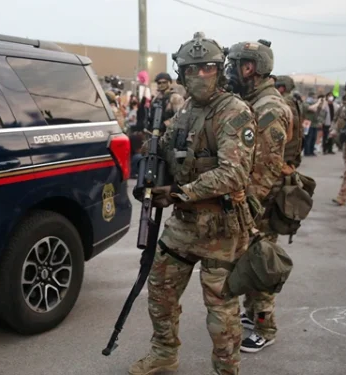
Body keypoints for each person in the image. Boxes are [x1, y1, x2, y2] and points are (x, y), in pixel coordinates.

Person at [129, 31, 258, 375]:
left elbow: (233, 174)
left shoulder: (234, 112)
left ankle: (227, 369)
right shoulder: (186, 111)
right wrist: (149, 167)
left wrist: (177, 193)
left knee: (221, 310)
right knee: (160, 289)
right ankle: (164, 353)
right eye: (192, 70)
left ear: (220, 70)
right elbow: (169, 154)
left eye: (208, 69)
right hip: (184, 224)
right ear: (181, 74)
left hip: (222, 227)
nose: (200, 76)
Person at [225, 39, 292, 353]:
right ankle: (253, 316)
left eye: (235, 64)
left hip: (260, 203)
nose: (230, 70)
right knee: (247, 260)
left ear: (250, 67)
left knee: (260, 260)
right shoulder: (251, 100)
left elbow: (267, 166)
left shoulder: (269, 107)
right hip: (250, 199)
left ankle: (266, 327)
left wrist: (247, 207)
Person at [275, 75, 305, 169]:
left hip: (284, 156)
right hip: (290, 156)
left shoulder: (282, 102)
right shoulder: (291, 101)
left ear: (281, 88)